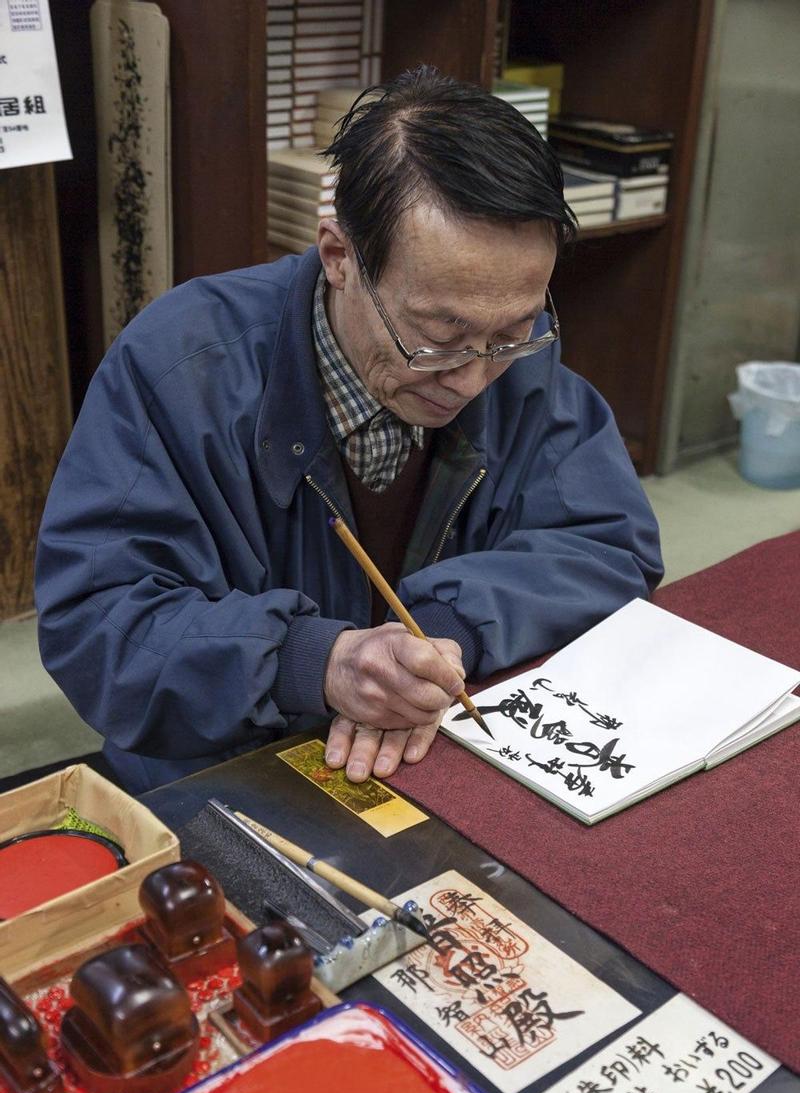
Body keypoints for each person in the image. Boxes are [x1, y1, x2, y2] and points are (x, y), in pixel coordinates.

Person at [35, 67, 663, 795]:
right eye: (438, 336)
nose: (470, 378)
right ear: (339, 257)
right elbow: (98, 623)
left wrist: (444, 626)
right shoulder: (182, 366)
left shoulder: (511, 357)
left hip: (435, 745)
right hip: (227, 761)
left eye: (514, 331)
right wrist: (314, 661)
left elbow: (609, 544)